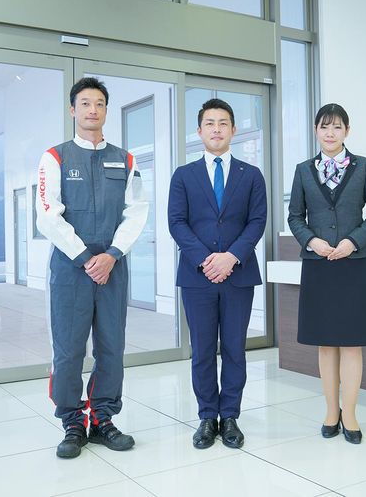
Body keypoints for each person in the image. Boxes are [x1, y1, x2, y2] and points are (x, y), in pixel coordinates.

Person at [36, 77, 148, 458]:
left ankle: (102, 419)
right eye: (85, 103)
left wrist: (112, 254)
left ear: (106, 110)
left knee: (112, 347)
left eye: (99, 103)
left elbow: (137, 212)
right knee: (68, 349)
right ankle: (72, 422)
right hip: (72, 270)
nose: (92, 110)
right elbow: (48, 216)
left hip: (112, 269)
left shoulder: (126, 160)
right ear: (73, 110)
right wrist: (86, 257)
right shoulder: (55, 158)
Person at [168, 98, 267, 450]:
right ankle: (207, 417)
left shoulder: (251, 175)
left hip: (239, 276)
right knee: (203, 350)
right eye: (210, 123)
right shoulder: (184, 176)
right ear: (199, 131)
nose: (216, 129)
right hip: (197, 277)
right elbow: (176, 223)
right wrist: (207, 260)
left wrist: (232, 258)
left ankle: (231, 416)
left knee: (236, 349)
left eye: (223, 123)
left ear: (233, 130)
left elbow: (257, 221)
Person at [287, 103, 366, 444]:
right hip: (318, 265)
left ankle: (352, 414)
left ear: (347, 131)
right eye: (324, 127)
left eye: (337, 127)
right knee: (326, 343)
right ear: (316, 130)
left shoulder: (364, 167)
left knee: (352, 343)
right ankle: (332, 412)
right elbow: (295, 216)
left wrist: (353, 241)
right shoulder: (303, 170)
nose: (330, 133)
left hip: (354, 263)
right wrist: (311, 241)